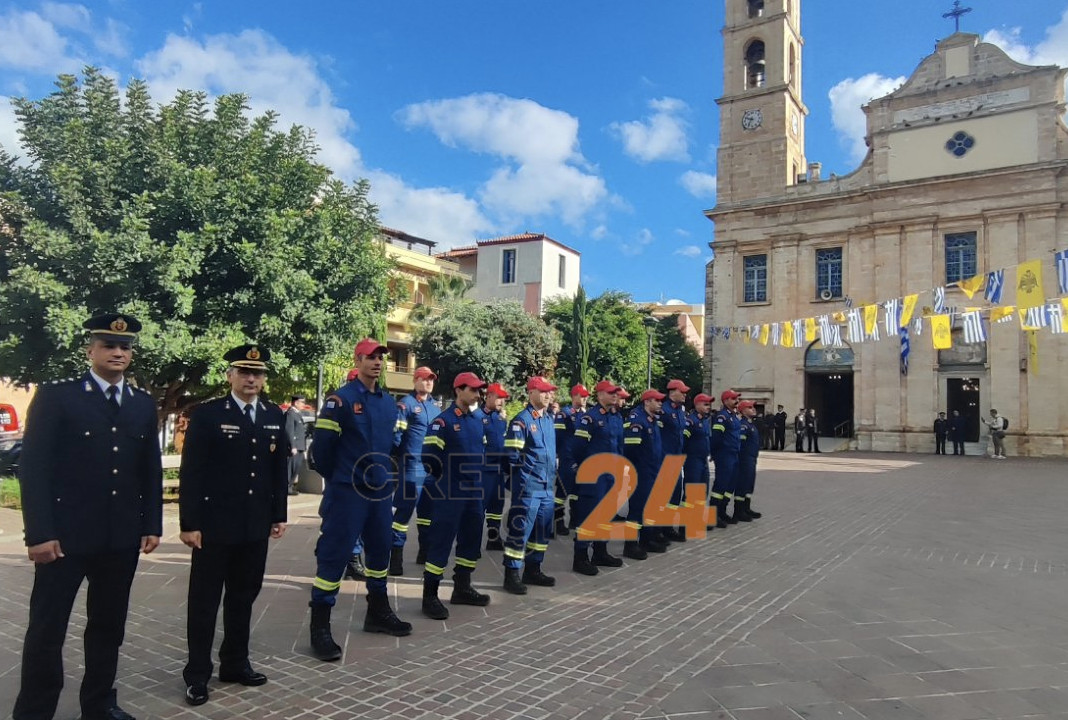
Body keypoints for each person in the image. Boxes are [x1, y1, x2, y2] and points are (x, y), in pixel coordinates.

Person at [13, 313, 162, 720]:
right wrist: (39, 533)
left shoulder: (141, 404)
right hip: (65, 537)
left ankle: (99, 704)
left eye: (124, 347)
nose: (117, 352)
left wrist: (151, 524)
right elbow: (35, 468)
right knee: (47, 628)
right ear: (90, 350)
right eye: (108, 345)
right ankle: (35, 711)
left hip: (119, 538)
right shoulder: (58, 397)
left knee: (108, 626)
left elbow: (148, 469)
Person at [179, 345, 289, 706]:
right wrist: (189, 522)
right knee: (204, 602)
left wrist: (278, 514)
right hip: (213, 526)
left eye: (257, 373)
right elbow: (192, 472)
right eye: (244, 372)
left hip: (254, 525)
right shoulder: (209, 414)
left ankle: (235, 662)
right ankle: (197, 674)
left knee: (243, 597)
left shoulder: (273, 415)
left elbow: (278, 470)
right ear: (230, 376)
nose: (251, 379)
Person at [307, 338, 411, 663]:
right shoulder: (340, 400)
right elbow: (321, 451)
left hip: (379, 492)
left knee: (380, 552)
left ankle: (377, 612)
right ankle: (320, 626)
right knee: (335, 556)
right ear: (358, 360)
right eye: (370, 357)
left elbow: (393, 446)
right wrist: (341, 477)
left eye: (381, 357)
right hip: (347, 492)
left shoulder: (388, 403)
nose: (377, 362)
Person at [419, 372, 492, 618]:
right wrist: (445, 479)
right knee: (440, 542)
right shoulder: (443, 422)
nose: (477, 394)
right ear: (458, 390)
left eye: (479, 390)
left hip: (474, 492)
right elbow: (429, 456)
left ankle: (462, 588)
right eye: (472, 389)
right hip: (450, 492)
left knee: (471, 540)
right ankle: (430, 596)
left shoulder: (477, 421)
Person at [502, 376, 559, 595]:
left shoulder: (548, 420)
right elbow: (511, 457)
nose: (548, 395)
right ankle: (511, 574)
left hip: (547, 487)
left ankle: (533, 569)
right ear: (531, 392)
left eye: (550, 391)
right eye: (543, 391)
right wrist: (523, 479)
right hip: (528, 487)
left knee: (542, 532)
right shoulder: (522, 421)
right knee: (520, 531)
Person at [569, 380, 625, 575]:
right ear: (600, 395)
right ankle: (581, 556)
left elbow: (619, 446)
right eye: (610, 393)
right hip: (594, 476)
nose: (615, 395)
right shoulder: (590, 418)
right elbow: (577, 447)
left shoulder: (615, 417)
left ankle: (600, 551)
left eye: (616, 393)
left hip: (611, 475)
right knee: (588, 515)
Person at [390, 366, 441, 575]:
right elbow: (396, 436)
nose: (428, 382)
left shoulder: (435, 407)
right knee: (404, 512)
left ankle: (424, 551)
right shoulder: (406, 405)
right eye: (424, 379)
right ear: (415, 380)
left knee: (427, 514)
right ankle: (395, 557)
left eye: (431, 379)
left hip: (431, 469)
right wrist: (401, 458)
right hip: (412, 466)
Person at [623, 389, 668, 558]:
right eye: (657, 400)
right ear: (647, 402)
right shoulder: (637, 419)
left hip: (653, 470)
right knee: (637, 508)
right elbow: (631, 449)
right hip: (640, 472)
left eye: (661, 400)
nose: (660, 403)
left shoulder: (652, 419)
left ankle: (646, 540)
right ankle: (630, 545)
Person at [554, 383, 590, 537]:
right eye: (582, 396)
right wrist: (563, 457)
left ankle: (575, 519)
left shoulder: (586, 415)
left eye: (586, 396)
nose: (585, 399)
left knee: (577, 491)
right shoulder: (564, 414)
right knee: (562, 493)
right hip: (567, 459)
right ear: (574, 396)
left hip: (581, 459)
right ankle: (557, 522)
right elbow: (558, 438)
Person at [480, 383, 510, 551]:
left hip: (498, 471)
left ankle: (493, 538)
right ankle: (472, 542)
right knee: (479, 508)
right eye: (498, 397)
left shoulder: (500, 420)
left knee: (496, 507)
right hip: (483, 471)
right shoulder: (477, 417)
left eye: (503, 399)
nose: (501, 401)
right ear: (489, 396)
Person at [661, 379, 690, 543]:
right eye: (682, 391)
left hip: (677, 459)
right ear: (673, 392)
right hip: (665, 458)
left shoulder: (680, 411)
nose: (685, 394)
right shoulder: (663, 410)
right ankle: (659, 530)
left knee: (675, 496)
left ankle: (668, 527)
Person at [710, 390, 743, 527]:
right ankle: (713, 515)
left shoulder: (734, 416)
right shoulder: (722, 417)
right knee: (721, 484)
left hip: (734, 454)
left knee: (730, 485)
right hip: (724, 455)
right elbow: (716, 437)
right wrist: (714, 453)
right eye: (733, 398)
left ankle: (722, 511)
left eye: (737, 398)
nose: (737, 401)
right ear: (725, 401)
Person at [683, 393, 714, 530]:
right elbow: (684, 441)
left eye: (709, 404)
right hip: (693, 460)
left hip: (703, 460)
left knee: (702, 490)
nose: (708, 407)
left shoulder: (705, 420)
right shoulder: (690, 421)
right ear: (697, 405)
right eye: (705, 404)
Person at [736, 400, 763, 522]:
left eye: (753, 407)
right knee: (743, 484)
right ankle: (739, 511)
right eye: (750, 407)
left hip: (752, 458)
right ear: (743, 411)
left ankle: (746, 508)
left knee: (749, 484)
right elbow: (740, 444)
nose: (754, 409)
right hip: (745, 458)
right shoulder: (743, 425)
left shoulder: (751, 424)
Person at [284, 394, 309, 495]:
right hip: (294, 447)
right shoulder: (290, 414)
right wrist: (292, 445)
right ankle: (286, 487)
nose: (303, 404)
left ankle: (290, 486)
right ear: (296, 403)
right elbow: (289, 430)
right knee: (291, 467)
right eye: (302, 402)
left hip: (300, 446)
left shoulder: (297, 414)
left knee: (296, 467)